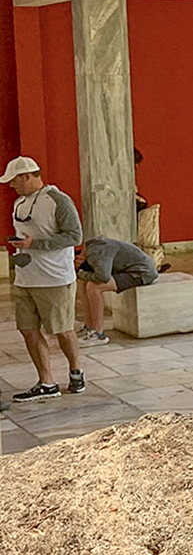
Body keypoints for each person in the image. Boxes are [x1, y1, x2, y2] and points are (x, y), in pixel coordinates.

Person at [4, 155, 85, 401]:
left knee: (61, 329)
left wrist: (35, 243)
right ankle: (46, 382)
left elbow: (74, 236)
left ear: (27, 176)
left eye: (15, 181)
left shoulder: (58, 200)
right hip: (26, 277)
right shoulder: (19, 203)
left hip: (55, 279)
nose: (11, 186)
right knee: (28, 329)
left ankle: (75, 371)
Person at [75, 236, 157, 345]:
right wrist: (83, 275)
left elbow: (103, 277)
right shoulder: (91, 246)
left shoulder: (96, 253)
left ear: (78, 258)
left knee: (94, 287)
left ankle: (99, 334)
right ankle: (89, 327)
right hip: (129, 269)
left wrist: (81, 273)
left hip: (141, 272)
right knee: (83, 283)